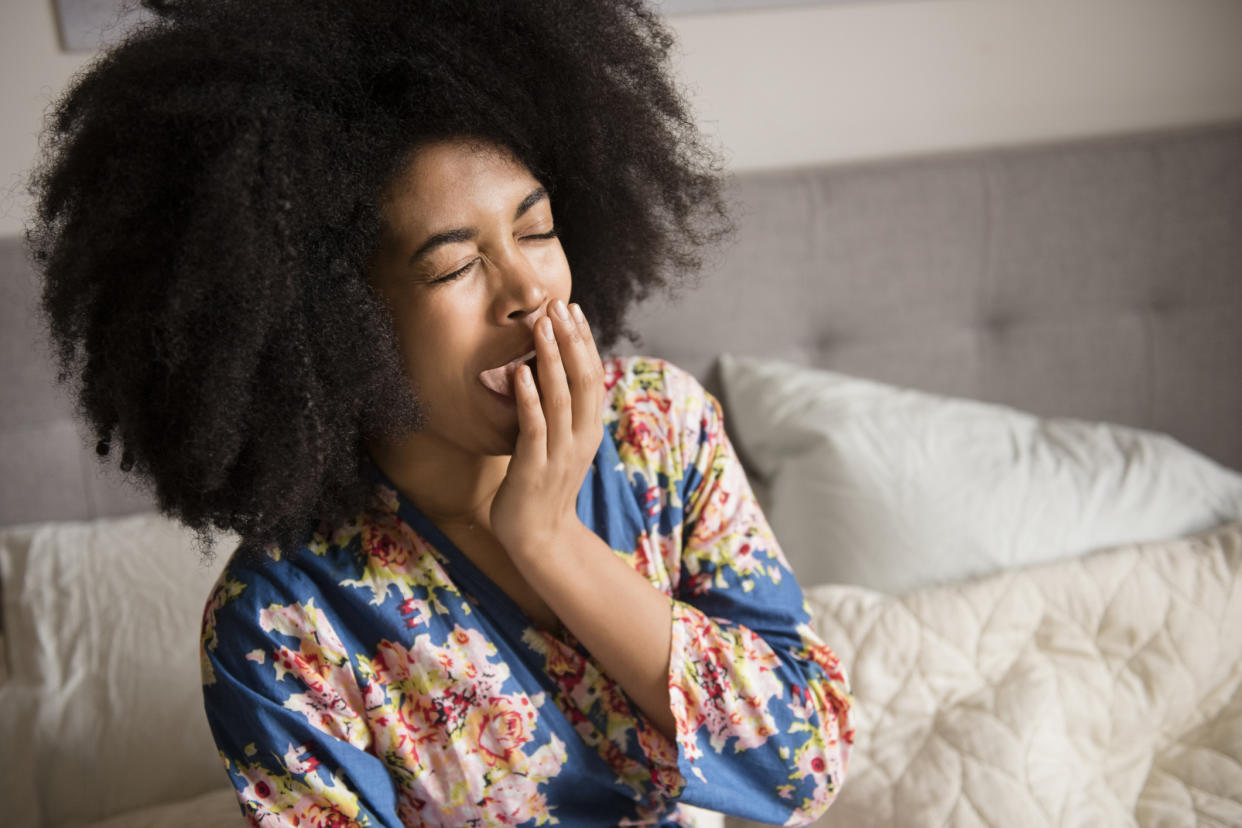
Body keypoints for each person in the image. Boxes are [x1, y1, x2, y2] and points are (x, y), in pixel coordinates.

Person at [29, 0, 854, 825]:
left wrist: (551, 541)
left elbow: (806, 762)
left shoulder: (659, 429)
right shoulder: (284, 622)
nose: (530, 290)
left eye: (537, 231)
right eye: (455, 265)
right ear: (337, 325)